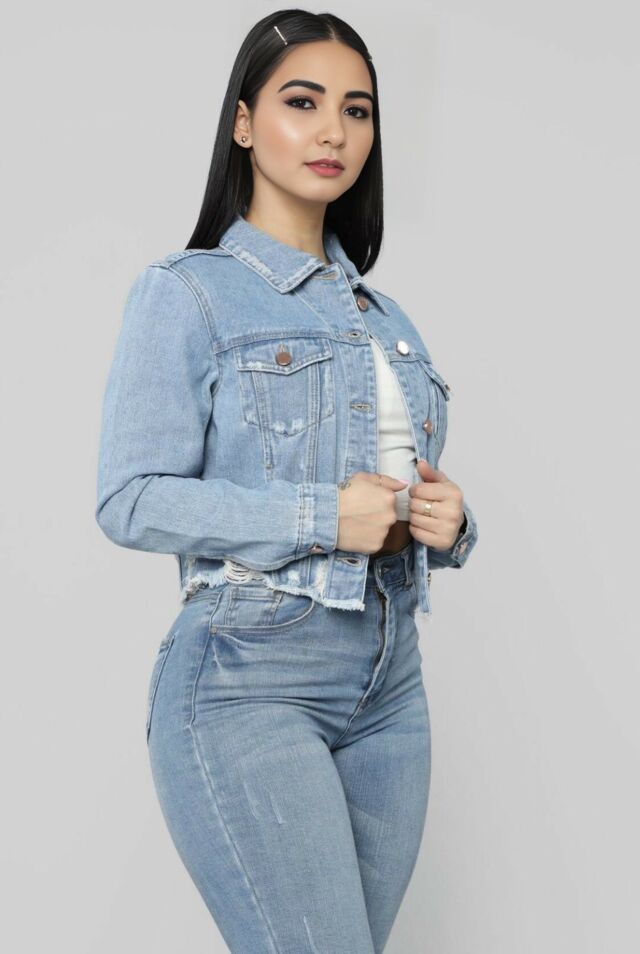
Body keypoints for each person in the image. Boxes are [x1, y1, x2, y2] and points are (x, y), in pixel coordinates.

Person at [95, 9, 478, 953]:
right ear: (243, 122)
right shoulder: (188, 291)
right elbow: (129, 497)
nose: (332, 131)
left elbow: (396, 499)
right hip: (249, 678)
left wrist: (450, 523)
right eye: (302, 102)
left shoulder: (389, 321)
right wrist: (319, 516)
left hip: (391, 684)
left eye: (357, 110)